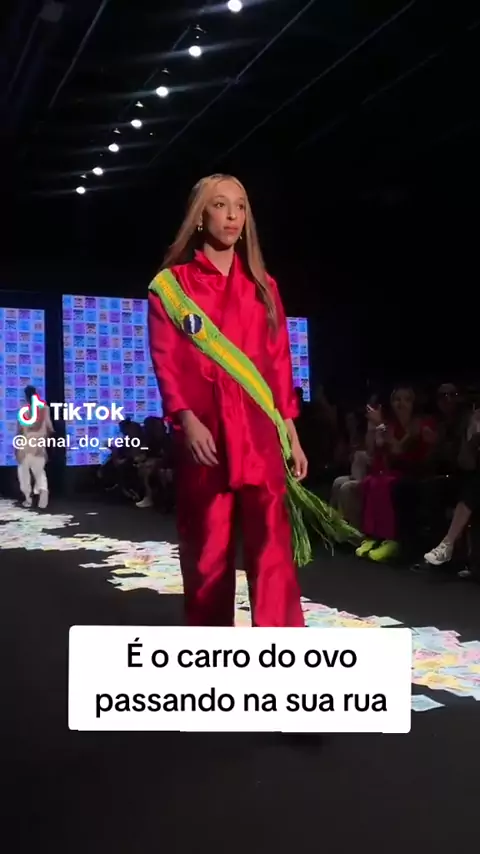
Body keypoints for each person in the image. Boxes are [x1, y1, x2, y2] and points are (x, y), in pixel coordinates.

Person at [148, 173, 354, 627]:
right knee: (207, 553)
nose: (232, 216)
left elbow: (278, 364)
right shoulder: (172, 287)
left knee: (272, 552)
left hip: (260, 434)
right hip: (206, 435)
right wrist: (186, 419)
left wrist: (291, 433)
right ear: (199, 216)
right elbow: (166, 359)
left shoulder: (263, 286)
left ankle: (279, 647)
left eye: (240, 206)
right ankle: (210, 649)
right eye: (220, 205)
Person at [356, 387, 435, 562]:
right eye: (397, 399)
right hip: (395, 470)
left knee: (385, 484)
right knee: (370, 481)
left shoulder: (421, 423)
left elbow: (398, 450)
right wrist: (372, 428)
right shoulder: (390, 424)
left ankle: (391, 539)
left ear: (414, 404)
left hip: (416, 470)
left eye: (406, 399)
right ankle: (373, 536)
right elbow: (372, 451)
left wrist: (380, 425)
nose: (401, 403)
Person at [16, 385, 53, 509]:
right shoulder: (45, 409)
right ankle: (42, 495)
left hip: (26, 444)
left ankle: (28, 498)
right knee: (39, 472)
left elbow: (19, 431)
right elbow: (49, 428)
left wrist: (17, 448)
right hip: (38, 443)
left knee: (23, 472)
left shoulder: (24, 410)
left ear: (26, 396)